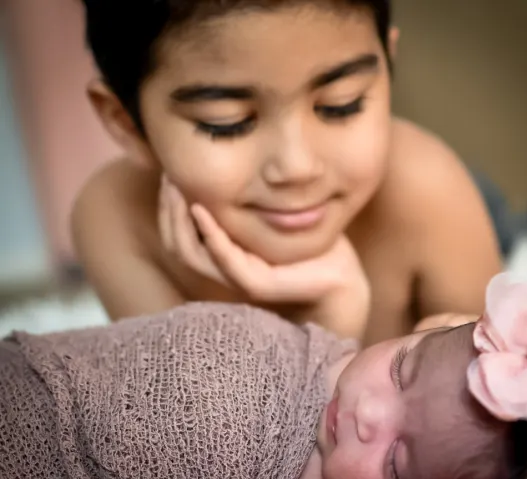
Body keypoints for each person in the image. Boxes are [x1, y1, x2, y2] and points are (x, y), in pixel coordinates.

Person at [71, 0, 501, 344]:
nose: (297, 169)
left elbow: (507, 421)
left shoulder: (426, 189)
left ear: (388, 64)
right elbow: (198, 440)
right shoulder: (116, 219)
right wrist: (330, 326)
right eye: (226, 122)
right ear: (125, 122)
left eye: (341, 103)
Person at [1, 272, 527, 479]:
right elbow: (446, 329)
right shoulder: (368, 348)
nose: (368, 414)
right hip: (33, 368)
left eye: (396, 460)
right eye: (400, 372)